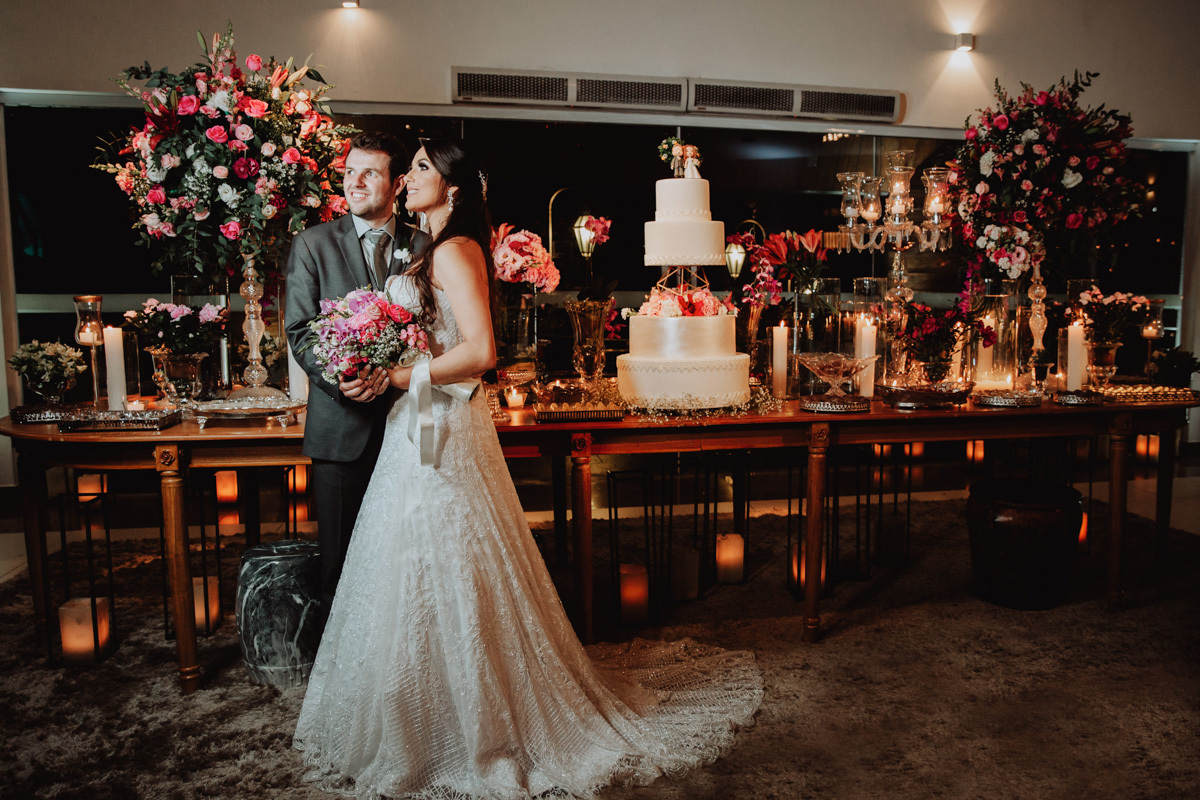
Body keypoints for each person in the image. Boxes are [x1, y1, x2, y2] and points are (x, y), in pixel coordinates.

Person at [294, 138, 762, 799]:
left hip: (443, 422)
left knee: (452, 557)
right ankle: (413, 719)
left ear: (452, 188)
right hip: (415, 421)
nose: (408, 178)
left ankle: (472, 728)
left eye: (422, 168)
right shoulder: (424, 249)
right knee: (408, 561)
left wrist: (403, 372)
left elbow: (482, 350)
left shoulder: (455, 250)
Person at [285, 131, 416, 626]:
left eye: (369, 173)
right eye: (347, 172)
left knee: (407, 557)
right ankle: (336, 679)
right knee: (339, 563)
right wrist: (341, 378)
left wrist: (400, 374)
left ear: (398, 183)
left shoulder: (425, 246)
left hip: (411, 426)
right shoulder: (312, 244)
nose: (353, 183)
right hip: (340, 428)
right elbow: (299, 330)